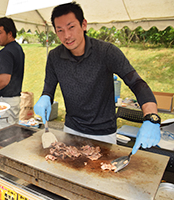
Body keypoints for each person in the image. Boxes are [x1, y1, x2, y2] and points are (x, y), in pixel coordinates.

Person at [34, 2, 160, 155]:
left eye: (71, 27)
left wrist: (151, 118)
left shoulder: (107, 52)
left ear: (84, 24)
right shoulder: (54, 56)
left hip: (103, 133)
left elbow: (137, 83)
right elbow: (48, 88)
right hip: (71, 129)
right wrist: (45, 97)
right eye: (60, 30)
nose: (66, 36)